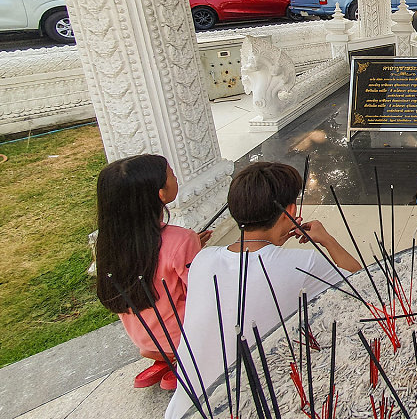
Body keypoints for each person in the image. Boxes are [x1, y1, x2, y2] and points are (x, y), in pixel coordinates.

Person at [165, 162, 360, 419]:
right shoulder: (303, 266)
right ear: (289, 211)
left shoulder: (203, 260)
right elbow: (361, 283)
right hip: (253, 408)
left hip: (187, 409)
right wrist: (327, 240)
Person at [95, 154, 210, 391]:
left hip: (145, 340)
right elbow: (203, 295)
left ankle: (167, 359)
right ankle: (184, 359)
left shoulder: (108, 244)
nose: (175, 177)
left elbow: (154, 265)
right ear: (161, 194)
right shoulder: (181, 240)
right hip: (182, 340)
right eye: (171, 174)